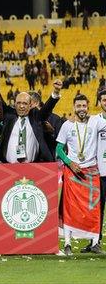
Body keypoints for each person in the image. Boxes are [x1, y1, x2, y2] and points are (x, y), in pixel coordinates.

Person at [55, 94, 106, 255]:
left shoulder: (96, 122)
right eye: (79, 106)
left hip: (91, 171)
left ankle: (95, 243)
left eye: (84, 106)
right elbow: (58, 149)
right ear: (74, 107)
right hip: (72, 171)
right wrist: (70, 163)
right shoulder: (67, 125)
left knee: (94, 208)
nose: (82, 109)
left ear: (88, 106)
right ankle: (68, 244)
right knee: (69, 208)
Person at [0, 79, 62, 163]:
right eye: (18, 103)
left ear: (30, 105)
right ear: (15, 104)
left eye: (25, 103)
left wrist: (56, 92)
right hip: (8, 167)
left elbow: (47, 108)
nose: (21, 106)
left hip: (32, 167)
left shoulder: (36, 118)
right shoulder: (9, 116)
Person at [82, 89, 106, 252]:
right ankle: (94, 242)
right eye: (104, 100)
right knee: (97, 209)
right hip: (100, 173)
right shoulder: (94, 120)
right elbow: (89, 145)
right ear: (99, 102)